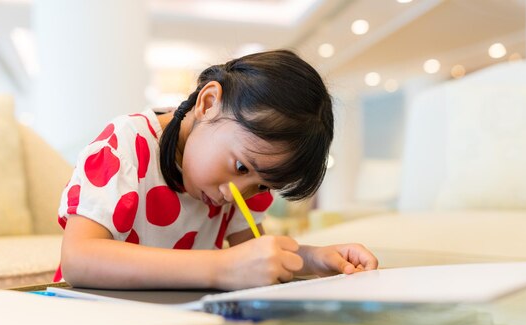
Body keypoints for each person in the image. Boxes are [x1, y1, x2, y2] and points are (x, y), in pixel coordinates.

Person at [57, 49, 378, 291]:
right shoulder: (126, 146)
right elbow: (79, 259)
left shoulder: (245, 185)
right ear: (208, 103)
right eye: (241, 166)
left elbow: (253, 255)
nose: (236, 192)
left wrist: (314, 259)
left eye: (263, 186)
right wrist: (220, 267)